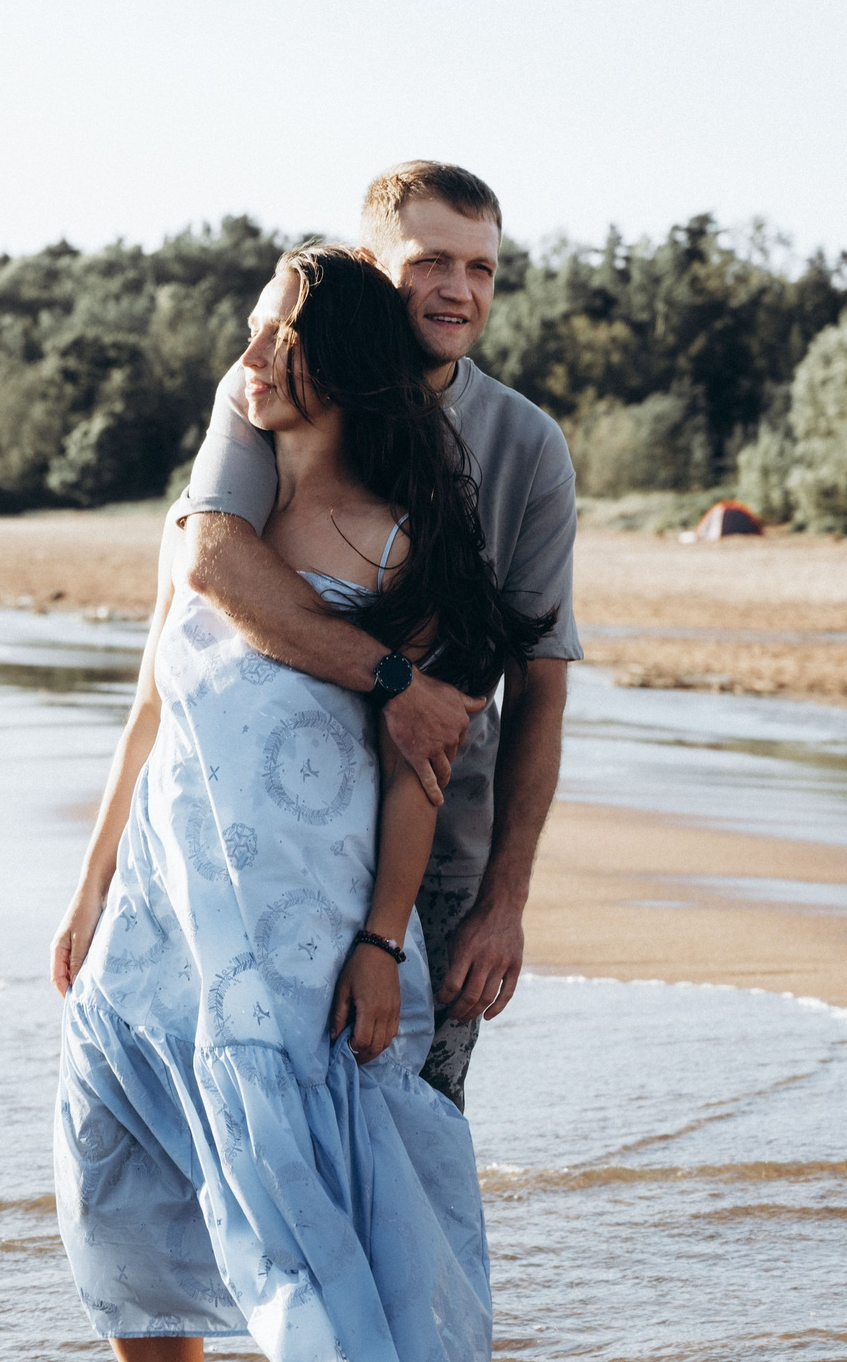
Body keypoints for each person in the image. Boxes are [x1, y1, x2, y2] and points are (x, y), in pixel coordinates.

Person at [50, 244, 552, 1361]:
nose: (252, 357)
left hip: (295, 954)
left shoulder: (399, 550)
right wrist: (86, 891)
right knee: (126, 1227)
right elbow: (148, 708)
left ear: (346, 359)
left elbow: (414, 769)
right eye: (254, 329)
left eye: (281, 335)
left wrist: (382, 937)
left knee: (301, 1246)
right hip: (152, 933)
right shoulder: (205, 534)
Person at [175, 161, 582, 1109]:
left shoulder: (527, 445)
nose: (459, 289)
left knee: (416, 1122)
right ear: (368, 263)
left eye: (482, 268)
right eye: (432, 260)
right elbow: (214, 563)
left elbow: (543, 688)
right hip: (267, 840)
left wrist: (503, 902)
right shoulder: (268, 390)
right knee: (253, 1120)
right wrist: (398, 681)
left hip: (439, 847)